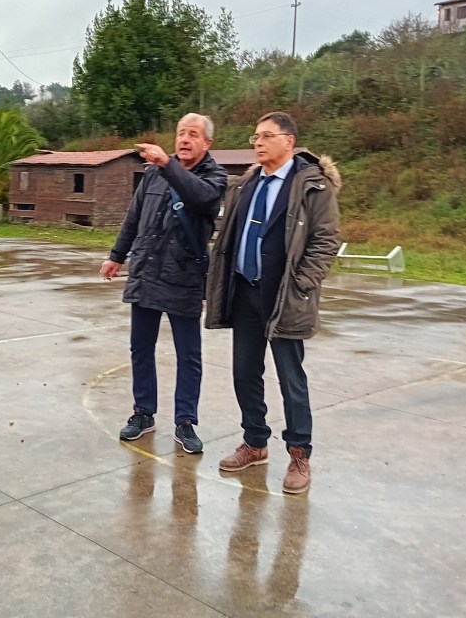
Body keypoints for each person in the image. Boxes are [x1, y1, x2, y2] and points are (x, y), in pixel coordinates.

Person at [205, 111, 341, 493]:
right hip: (245, 292)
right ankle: (255, 442)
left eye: (267, 136)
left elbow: (326, 240)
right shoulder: (247, 184)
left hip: (285, 297)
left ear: (289, 141)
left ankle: (299, 455)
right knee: (244, 372)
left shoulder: (312, 186)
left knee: (291, 378)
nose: (258, 143)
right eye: (256, 137)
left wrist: (302, 283)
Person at [100, 113, 228, 454]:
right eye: (181, 132)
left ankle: (185, 421)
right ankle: (143, 412)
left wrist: (167, 164)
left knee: (189, 355)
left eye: (193, 134)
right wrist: (117, 255)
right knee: (141, 348)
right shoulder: (153, 173)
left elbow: (200, 197)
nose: (184, 139)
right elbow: (133, 217)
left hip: (183, 276)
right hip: (146, 270)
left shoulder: (214, 177)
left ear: (207, 143)